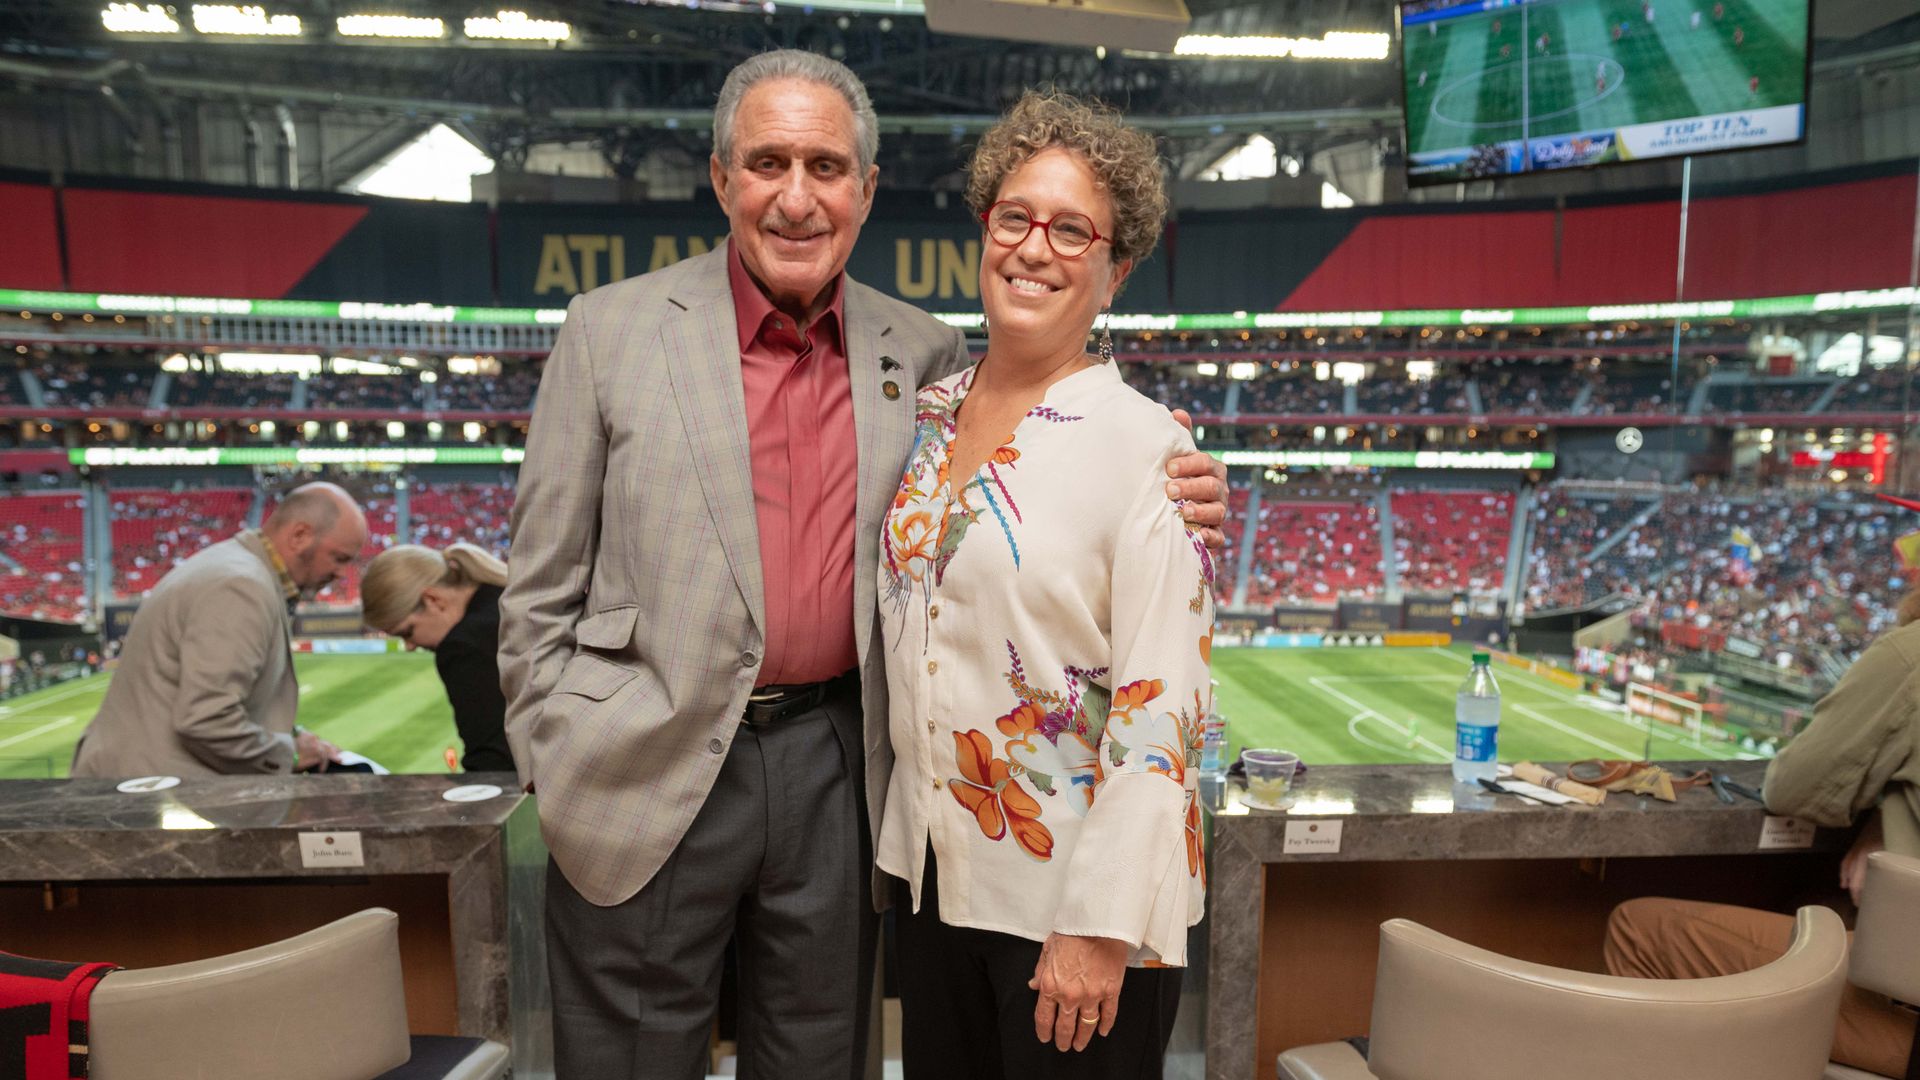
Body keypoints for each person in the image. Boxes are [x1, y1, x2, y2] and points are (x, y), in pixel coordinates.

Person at [497, 49, 1230, 1080]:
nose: (797, 197)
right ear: (722, 179)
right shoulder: (626, 335)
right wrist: (554, 752)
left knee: (817, 1061)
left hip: (845, 787)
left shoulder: (923, 355)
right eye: (767, 163)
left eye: (826, 167)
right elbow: (537, 586)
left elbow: (1157, 687)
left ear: (866, 189)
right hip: (673, 777)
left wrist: (1181, 466)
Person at [877, 89, 1211, 1078]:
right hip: (937, 887)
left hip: (1074, 918)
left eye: (1073, 230)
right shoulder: (930, 421)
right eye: (1015, 217)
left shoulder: (1149, 448)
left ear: (1114, 271)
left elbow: (1164, 714)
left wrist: (1101, 928)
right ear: (985, 230)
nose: (1034, 247)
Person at [1602, 581, 1920, 1076]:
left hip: (1909, 1021)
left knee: (1639, 930)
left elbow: (1795, 787)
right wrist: (1887, 811)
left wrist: (1878, 801)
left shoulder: (1911, 654)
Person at [70, 483, 363, 778]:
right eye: (339, 558)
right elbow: (208, 719)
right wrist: (292, 752)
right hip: (150, 792)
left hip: (144, 783)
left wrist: (292, 734)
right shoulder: (240, 586)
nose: (341, 573)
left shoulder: (237, 568)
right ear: (299, 535)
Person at [361, 542, 514, 773]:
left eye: (407, 632)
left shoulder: (464, 646)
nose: (410, 646)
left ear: (433, 600)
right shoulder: (503, 600)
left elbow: (493, 761)